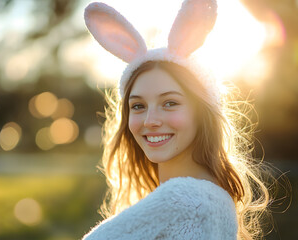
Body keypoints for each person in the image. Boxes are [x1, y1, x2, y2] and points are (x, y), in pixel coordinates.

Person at [82, 0, 272, 239]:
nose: (150, 120)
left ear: (202, 112)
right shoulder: (217, 200)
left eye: (170, 103)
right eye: (138, 106)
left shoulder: (180, 203)